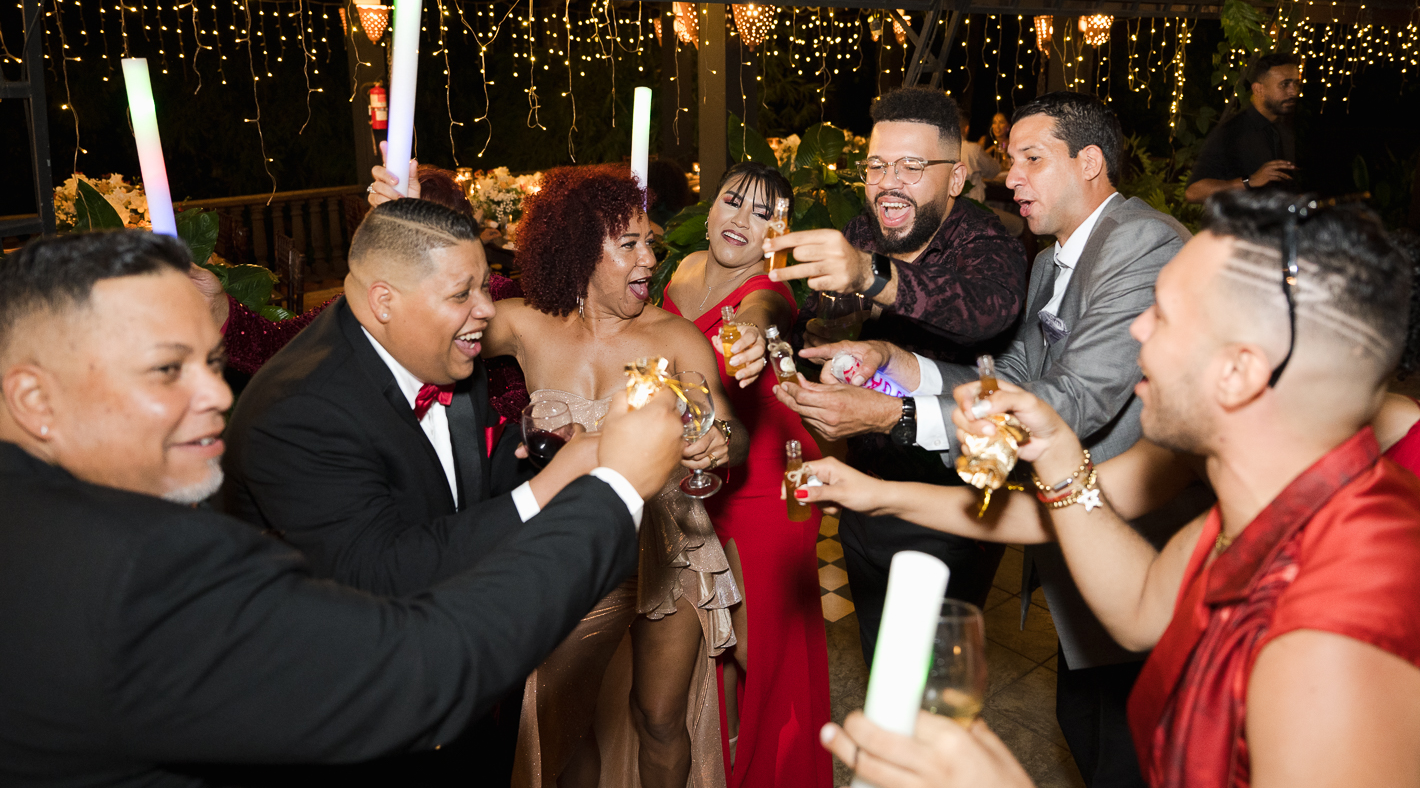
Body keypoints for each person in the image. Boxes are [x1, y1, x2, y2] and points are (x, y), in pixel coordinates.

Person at [817, 190, 1420, 788]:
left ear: (1238, 373)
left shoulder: (1335, 660)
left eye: (1163, 314)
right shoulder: (1284, 499)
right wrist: (1057, 452)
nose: (1137, 328)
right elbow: (1143, 607)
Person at [0, 228, 686, 786]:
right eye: (166, 370)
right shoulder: (140, 576)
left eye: (211, 362)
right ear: (34, 398)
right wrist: (615, 487)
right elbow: (423, 669)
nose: (215, 395)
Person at [817, 91, 1192, 788]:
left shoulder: (1143, 240)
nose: (1010, 175)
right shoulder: (1051, 263)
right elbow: (1007, 377)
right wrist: (896, 368)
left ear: (1090, 162)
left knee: (1138, 759)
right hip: (1072, 551)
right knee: (1087, 735)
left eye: (1031, 158)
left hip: (1139, 554)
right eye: (1011, 158)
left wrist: (896, 418)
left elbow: (1071, 401)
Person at [471, 164, 750, 788]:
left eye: (650, 241)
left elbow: (732, 430)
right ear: (577, 248)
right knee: (561, 722)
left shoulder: (675, 336)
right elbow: (428, 326)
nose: (650, 257)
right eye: (629, 244)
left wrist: (716, 442)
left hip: (667, 543)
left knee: (659, 719)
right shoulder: (525, 325)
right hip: (569, 547)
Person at [763, 87, 1028, 667]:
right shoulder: (863, 229)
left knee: (929, 680)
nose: (890, 182)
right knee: (880, 657)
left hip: (950, 504)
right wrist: (812, 333)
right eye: (878, 166)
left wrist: (870, 276)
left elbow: (985, 309)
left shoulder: (984, 240)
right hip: (863, 489)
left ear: (956, 179)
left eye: (912, 167)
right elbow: (816, 310)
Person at [662, 161, 833, 788]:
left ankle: (767, 773)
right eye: (734, 202)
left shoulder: (769, 290)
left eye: (765, 215)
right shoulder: (679, 274)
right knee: (707, 640)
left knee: (756, 648)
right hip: (695, 478)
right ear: (709, 209)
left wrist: (753, 338)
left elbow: (761, 315)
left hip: (763, 482)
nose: (742, 220)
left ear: (776, 236)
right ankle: (718, 766)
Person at [201, 163, 530, 426]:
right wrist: (216, 306)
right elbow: (283, 346)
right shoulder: (372, 300)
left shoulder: (496, 298)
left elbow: (519, 393)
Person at [1185, 53, 1301, 203]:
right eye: (1285, 84)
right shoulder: (1231, 131)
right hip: (1239, 226)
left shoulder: (1283, 131)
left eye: (1296, 83)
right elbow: (1193, 192)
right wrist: (1249, 181)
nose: (1294, 92)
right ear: (1258, 89)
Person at [960, 108, 1003, 203]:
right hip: (971, 208)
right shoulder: (978, 145)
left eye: (1001, 122)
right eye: (995, 122)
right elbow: (995, 170)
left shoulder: (937, 148)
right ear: (967, 128)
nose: (998, 126)